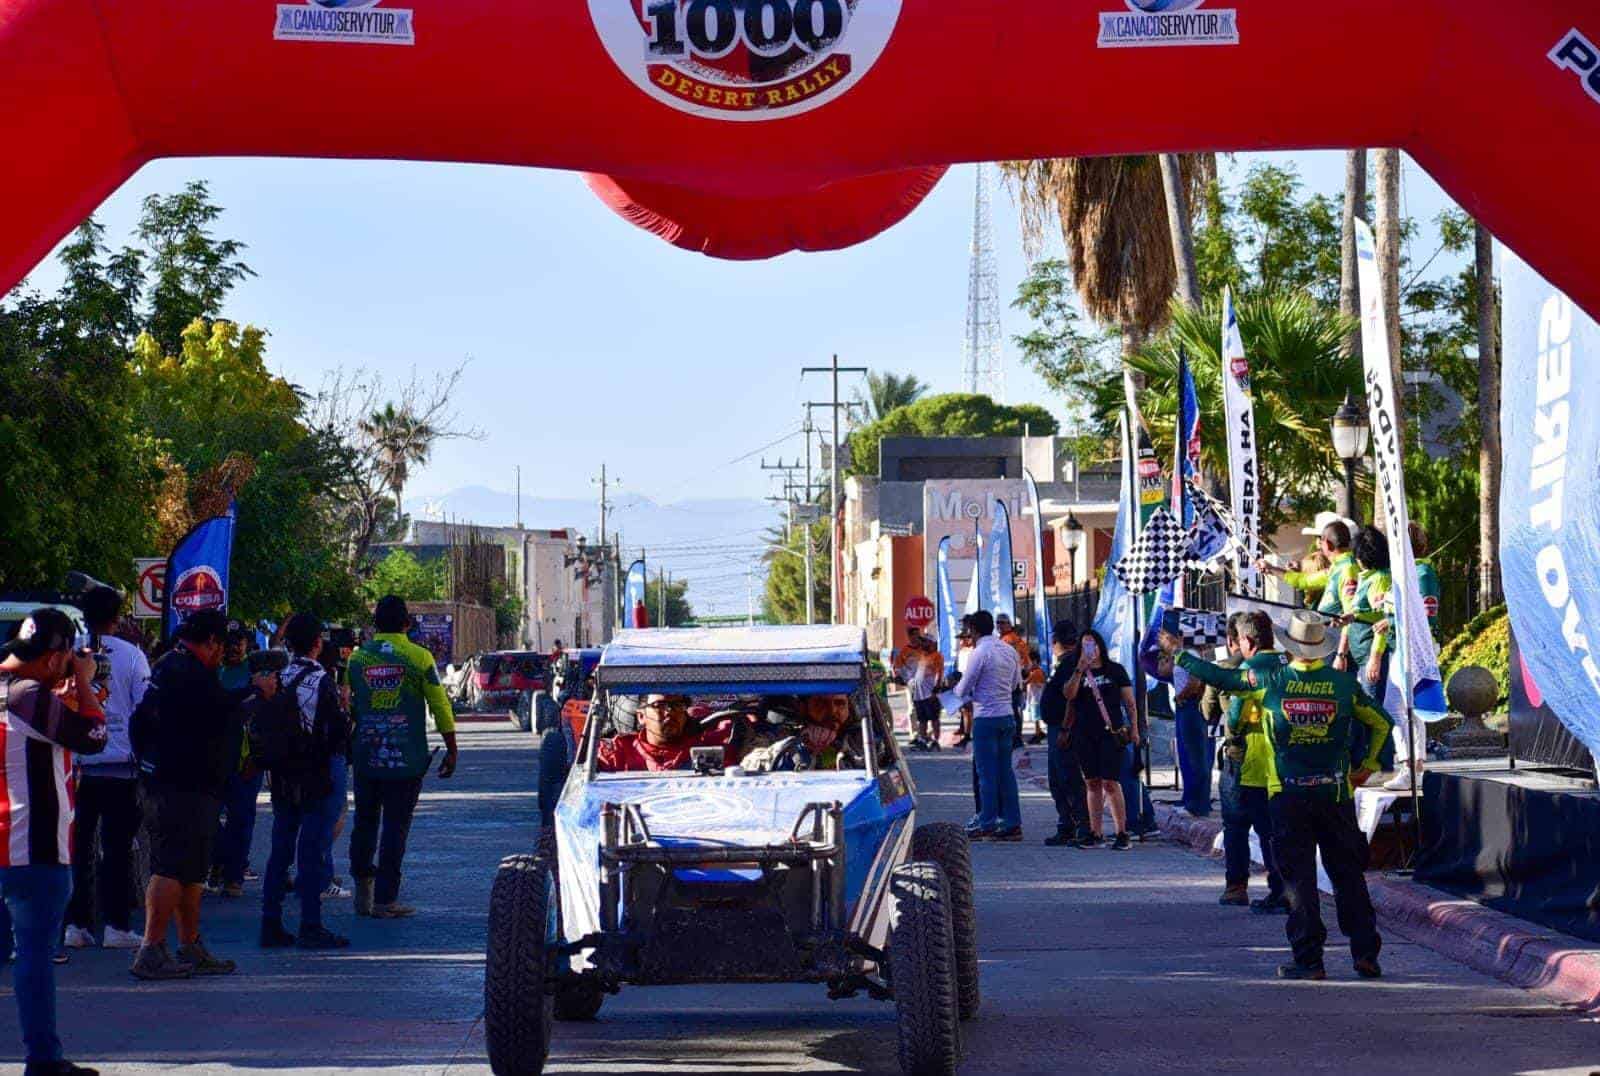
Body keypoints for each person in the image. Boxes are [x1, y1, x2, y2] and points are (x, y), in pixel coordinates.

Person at [1162, 609, 1392, 981]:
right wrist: (1366, 766)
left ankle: (1310, 960)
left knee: (1298, 880)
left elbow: (1220, 677)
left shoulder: (1270, 678)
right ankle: (1366, 954)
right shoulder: (1343, 684)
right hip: (1335, 792)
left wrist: (1181, 654)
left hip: (1287, 794)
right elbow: (1382, 722)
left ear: (1292, 645)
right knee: (1348, 876)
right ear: (1322, 648)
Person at [133, 609, 276, 981]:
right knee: (170, 867)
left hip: (193, 784)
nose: (220, 654)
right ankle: (151, 947)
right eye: (219, 646)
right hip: (178, 784)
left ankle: (190, 943)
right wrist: (255, 692)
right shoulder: (185, 672)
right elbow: (220, 713)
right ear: (211, 642)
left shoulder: (177, 668)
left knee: (192, 869)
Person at [0, 608, 108, 1076]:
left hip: (9, 840)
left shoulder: (14, 689)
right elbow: (94, 736)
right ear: (54, 657)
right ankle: (42, 1059)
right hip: (35, 845)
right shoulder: (27, 695)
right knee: (34, 958)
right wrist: (84, 682)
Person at [347, 596, 458, 920]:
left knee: (364, 823)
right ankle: (385, 900)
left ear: (375, 625)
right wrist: (451, 748)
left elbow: (349, 704)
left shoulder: (357, 660)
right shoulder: (419, 657)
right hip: (406, 760)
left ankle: (363, 895)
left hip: (366, 756)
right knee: (395, 828)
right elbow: (439, 705)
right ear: (407, 624)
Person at [63, 586, 148, 951]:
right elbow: (145, 708)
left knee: (76, 849)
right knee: (117, 849)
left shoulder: (68, 653)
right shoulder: (132, 656)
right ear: (118, 618)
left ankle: (76, 925)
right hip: (119, 767)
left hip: (76, 767)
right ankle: (116, 925)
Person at [259, 614, 350, 950]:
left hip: (282, 775)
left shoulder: (278, 676)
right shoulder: (320, 679)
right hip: (314, 775)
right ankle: (310, 925)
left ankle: (271, 923)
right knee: (310, 851)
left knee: (280, 851)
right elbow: (336, 733)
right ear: (317, 644)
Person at [1213, 612, 1288, 912]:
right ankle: (1285, 888)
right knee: (1278, 831)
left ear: (1246, 640)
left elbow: (1233, 717)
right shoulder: (1290, 665)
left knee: (1237, 825)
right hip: (1287, 762)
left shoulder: (1247, 668)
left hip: (1250, 761)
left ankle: (1238, 887)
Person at [1064, 629, 1138, 850]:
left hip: (1111, 732)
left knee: (1111, 782)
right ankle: (1095, 832)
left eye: (1093, 645)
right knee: (1092, 782)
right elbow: (1069, 695)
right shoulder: (1076, 670)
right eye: (1085, 646)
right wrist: (1079, 669)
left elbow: (1130, 703)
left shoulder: (1115, 671)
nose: (1091, 650)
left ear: (1101, 647)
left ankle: (1121, 831)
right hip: (1084, 733)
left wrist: (1134, 729)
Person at [954, 610, 1023, 841]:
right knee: (1006, 771)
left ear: (973, 630)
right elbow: (1015, 684)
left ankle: (987, 822)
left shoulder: (979, 652)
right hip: (1007, 716)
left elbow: (963, 689)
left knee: (986, 774)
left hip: (985, 718)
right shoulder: (1009, 650)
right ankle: (1012, 822)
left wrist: (956, 690)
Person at [1335, 525, 1393, 773]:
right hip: (1359, 651)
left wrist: (1375, 658)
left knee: (1373, 712)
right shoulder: (1366, 578)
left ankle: (1380, 762)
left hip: (1370, 651)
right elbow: (1368, 613)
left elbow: (1383, 620)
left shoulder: (1380, 579)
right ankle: (1361, 761)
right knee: (1361, 710)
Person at [211, 624, 261, 898]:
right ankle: (220, 860)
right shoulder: (211, 671)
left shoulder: (254, 673)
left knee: (241, 818)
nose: (232, 647)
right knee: (208, 817)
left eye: (238, 641)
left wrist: (258, 755)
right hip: (213, 757)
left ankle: (233, 877)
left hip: (245, 760)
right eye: (227, 641)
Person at [1040, 622, 1089, 847]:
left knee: (1067, 778)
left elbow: (1071, 699)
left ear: (1055, 642)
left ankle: (1079, 825)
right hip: (1058, 727)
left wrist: (1066, 729)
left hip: (1064, 728)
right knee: (1058, 779)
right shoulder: (1065, 663)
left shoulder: (1071, 664)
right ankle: (1067, 824)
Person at [597, 693, 732, 772]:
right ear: (641, 716)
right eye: (660, 706)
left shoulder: (708, 751)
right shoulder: (617, 753)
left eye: (677, 705)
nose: (669, 712)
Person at [1260, 518, 1357, 617]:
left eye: (1320, 540)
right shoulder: (1338, 567)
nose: (1319, 545)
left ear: (1327, 544)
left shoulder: (1347, 569)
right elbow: (1304, 581)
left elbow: (1352, 613)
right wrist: (1271, 569)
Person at [894, 628, 944, 751]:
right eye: (923, 641)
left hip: (931, 693)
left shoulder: (937, 656)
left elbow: (939, 673)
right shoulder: (921, 654)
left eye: (926, 641)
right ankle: (922, 739)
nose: (923, 643)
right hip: (918, 692)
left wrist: (936, 688)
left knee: (934, 718)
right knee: (922, 719)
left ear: (932, 643)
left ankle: (935, 741)